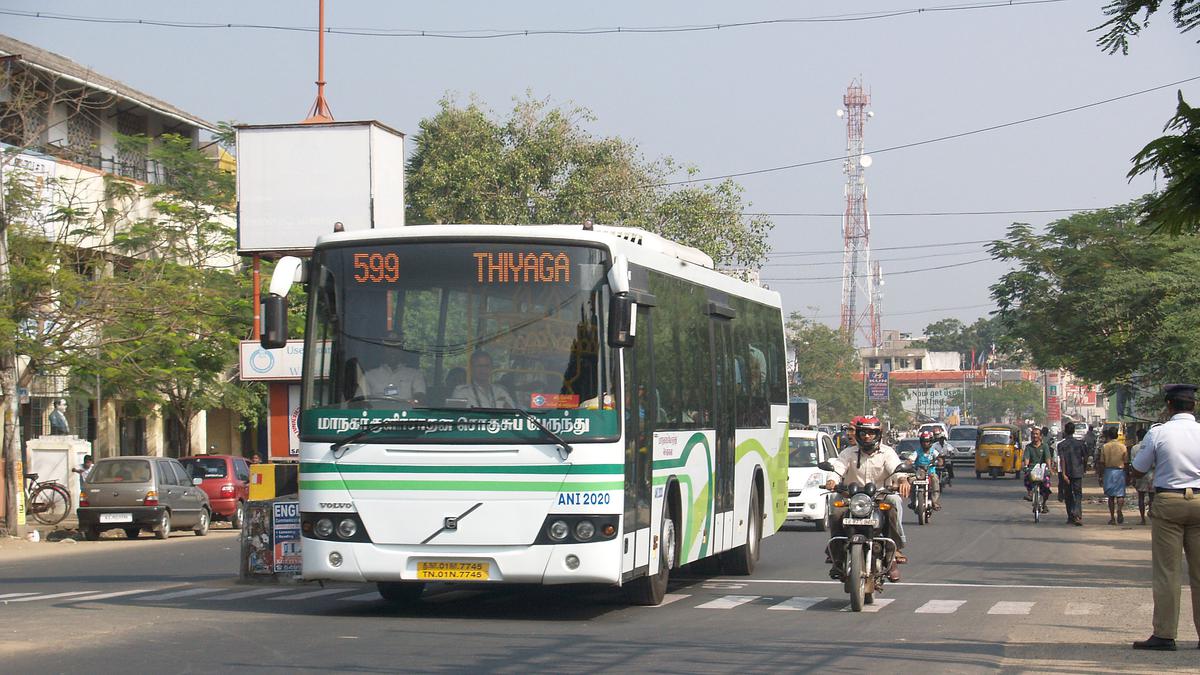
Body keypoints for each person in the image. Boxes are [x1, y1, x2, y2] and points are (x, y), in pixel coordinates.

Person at [1129, 383, 1200, 652]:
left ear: (1169, 406)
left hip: (1169, 502)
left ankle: (1165, 634)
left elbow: (1138, 469)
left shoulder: (1159, 433)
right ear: (1193, 406)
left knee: (1168, 573)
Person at [824, 416, 912, 582]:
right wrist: (831, 481)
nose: (867, 436)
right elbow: (837, 469)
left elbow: (896, 469)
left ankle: (894, 552)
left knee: (895, 501)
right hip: (852, 499)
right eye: (863, 432)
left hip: (880, 497)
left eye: (871, 433)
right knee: (834, 507)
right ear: (858, 434)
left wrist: (902, 480)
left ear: (878, 434)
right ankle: (836, 554)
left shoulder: (887, 452)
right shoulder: (848, 453)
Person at [361, 331, 426, 402]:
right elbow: (361, 402)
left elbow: (420, 396)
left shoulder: (415, 374)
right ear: (382, 351)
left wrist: (416, 399)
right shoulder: (368, 376)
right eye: (388, 348)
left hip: (405, 412)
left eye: (396, 348)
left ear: (402, 352)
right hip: (377, 412)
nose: (392, 352)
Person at [1058, 421, 1089, 526]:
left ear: (1065, 431)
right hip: (1077, 472)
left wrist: (1064, 474)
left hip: (1067, 472)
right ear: (1074, 431)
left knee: (1068, 495)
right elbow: (1085, 458)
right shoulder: (1080, 444)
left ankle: (1071, 516)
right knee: (1078, 495)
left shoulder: (1061, 445)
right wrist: (1084, 468)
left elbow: (1062, 460)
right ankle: (1077, 515)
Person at [1097, 425, 1128, 525]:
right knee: (1120, 494)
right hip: (1120, 472)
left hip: (1109, 472)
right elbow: (1126, 462)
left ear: (1109, 436)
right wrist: (1127, 475)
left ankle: (1112, 517)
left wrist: (1100, 476)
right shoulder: (1123, 446)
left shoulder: (1105, 447)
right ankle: (1119, 509)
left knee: (1110, 496)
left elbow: (1101, 462)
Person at [1023, 427, 1053, 513]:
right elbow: (1027, 458)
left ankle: (1044, 504)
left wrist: (1049, 468)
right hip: (1032, 469)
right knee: (1026, 478)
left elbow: (1047, 458)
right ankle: (1030, 493)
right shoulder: (1029, 447)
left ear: (1040, 436)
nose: (1034, 436)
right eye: (1033, 434)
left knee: (1046, 487)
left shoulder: (1045, 446)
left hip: (1042, 469)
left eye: (1036, 434)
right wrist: (1026, 465)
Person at [911, 430, 941, 510]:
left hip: (930, 473)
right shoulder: (917, 452)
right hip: (919, 473)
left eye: (927, 441)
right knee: (911, 481)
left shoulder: (933, 451)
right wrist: (908, 463)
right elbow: (910, 459)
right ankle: (913, 501)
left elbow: (939, 459)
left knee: (935, 479)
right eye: (924, 441)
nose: (925, 443)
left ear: (930, 442)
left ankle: (934, 501)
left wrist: (939, 462)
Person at [1129, 428, 1154, 525]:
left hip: (1140, 475)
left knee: (1141, 497)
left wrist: (1133, 477)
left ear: (1137, 436)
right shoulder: (1151, 446)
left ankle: (1143, 519)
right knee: (1152, 497)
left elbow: (1133, 463)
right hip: (1151, 474)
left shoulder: (1135, 448)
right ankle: (1152, 515)